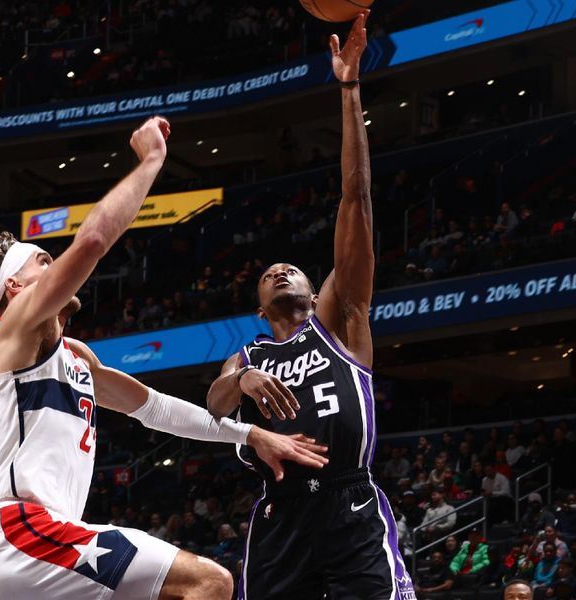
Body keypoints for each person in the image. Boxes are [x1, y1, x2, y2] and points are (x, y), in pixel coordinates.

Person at [0, 117, 329, 600]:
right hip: (23, 535)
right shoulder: (10, 330)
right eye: (43, 262)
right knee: (209, 582)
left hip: (37, 550)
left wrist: (250, 433)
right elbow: (92, 241)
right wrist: (153, 160)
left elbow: (156, 409)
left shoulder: (76, 357)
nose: (56, 267)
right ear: (15, 287)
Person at [205, 13, 415, 599]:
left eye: (291, 267)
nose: (280, 269)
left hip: (350, 504)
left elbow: (357, 195)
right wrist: (242, 379)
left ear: (312, 285)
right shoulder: (248, 353)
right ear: (259, 306)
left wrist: (349, 89)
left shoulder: (342, 318)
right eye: (269, 273)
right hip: (281, 517)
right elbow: (214, 406)